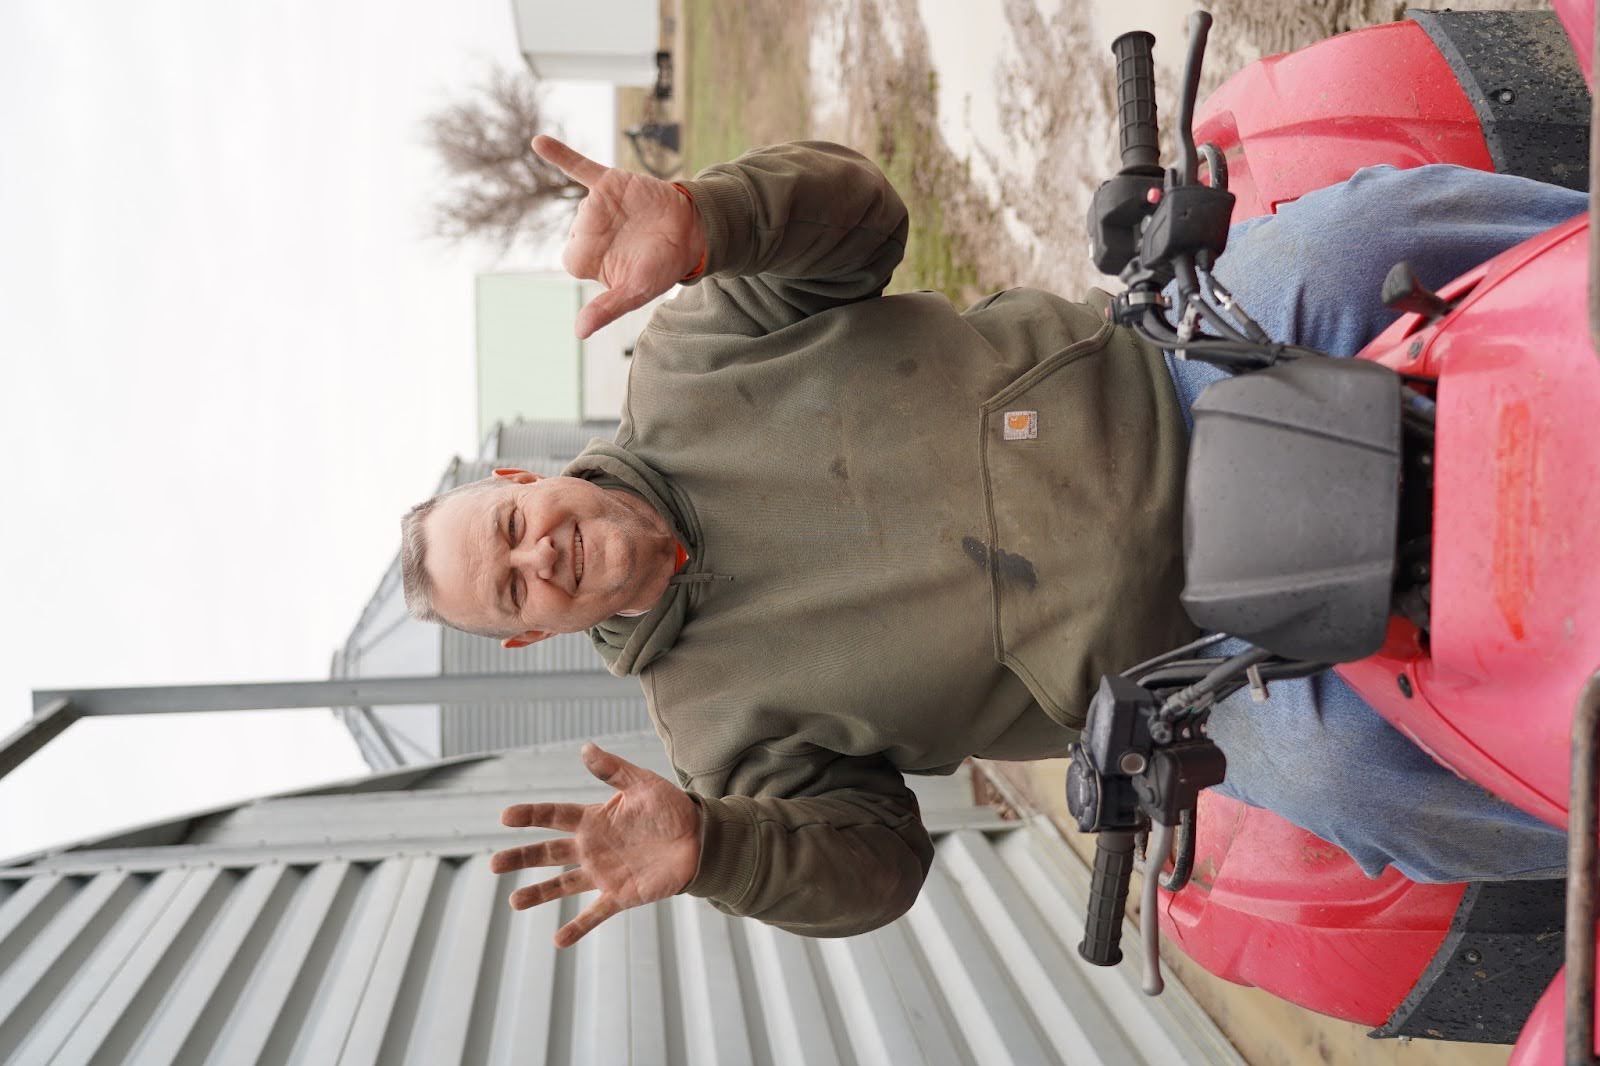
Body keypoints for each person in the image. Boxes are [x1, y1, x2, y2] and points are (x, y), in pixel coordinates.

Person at [399, 134, 1584, 949]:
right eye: (509, 591)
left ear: (522, 479)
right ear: (526, 638)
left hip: (1182, 379)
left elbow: (865, 221)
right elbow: (879, 866)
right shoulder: (718, 736)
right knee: (1361, 784)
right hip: (1203, 670)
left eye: (510, 528)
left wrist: (712, 218)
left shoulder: (692, 357)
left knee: (1361, 237)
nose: (538, 557)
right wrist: (717, 851)